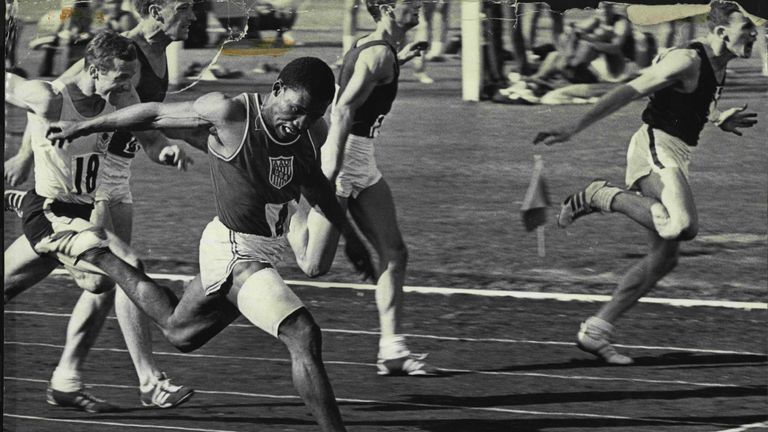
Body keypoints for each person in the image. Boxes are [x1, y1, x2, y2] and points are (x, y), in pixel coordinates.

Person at [46, 57, 376, 432]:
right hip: (235, 249)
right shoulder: (229, 113)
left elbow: (315, 185)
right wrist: (81, 126)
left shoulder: (306, 134)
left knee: (179, 332)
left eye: (312, 115)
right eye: (296, 110)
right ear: (277, 90)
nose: (300, 123)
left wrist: (351, 238)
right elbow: (153, 114)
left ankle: (96, 253)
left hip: (262, 249)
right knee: (302, 334)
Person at [533, 0, 758, 365]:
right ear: (720, 32)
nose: (754, 34)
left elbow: (695, 99)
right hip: (654, 148)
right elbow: (629, 90)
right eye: (746, 28)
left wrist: (718, 119)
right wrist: (572, 127)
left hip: (677, 154)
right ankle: (601, 195)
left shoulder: (719, 63)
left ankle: (596, 330)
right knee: (683, 226)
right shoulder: (687, 59)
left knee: (664, 258)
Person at [5, 0, 198, 412]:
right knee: (118, 270)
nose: (128, 86)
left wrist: (165, 151)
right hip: (55, 208)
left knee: (87, 281)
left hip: (84, 201)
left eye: (131, 79)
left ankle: (66, 378)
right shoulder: (59, 93)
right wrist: (25, 155)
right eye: (122, 79)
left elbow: (149, 135)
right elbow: (26, 91)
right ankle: (149, 380)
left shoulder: (124, 87)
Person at [286, 0, 440, 377]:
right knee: (312, 266)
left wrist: (404, 53)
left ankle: (393, 349)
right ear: (387, 7)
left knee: (395, 252)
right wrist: (330, 172)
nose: (420, 6)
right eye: (411, 2)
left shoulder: (374, 48)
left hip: (363, 158)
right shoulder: (378, 55)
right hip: (343, 157)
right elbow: (340, 110)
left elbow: (364, 84)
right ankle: (286, 208)